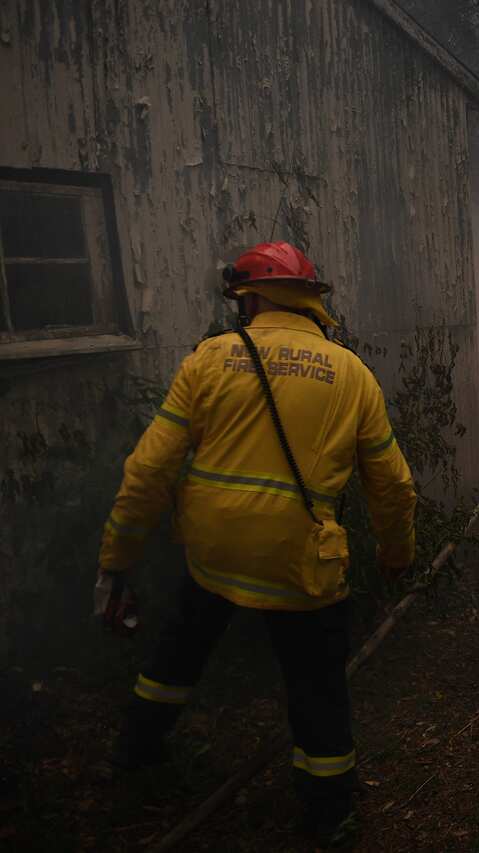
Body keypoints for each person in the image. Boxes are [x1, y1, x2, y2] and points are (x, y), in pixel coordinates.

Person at [95, 241, 416, 845]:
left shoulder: (210, 359)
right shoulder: (351, 373)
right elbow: (393, 487)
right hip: (299, 567)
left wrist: (116, 562)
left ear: (252, 298)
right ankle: (327, 811)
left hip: (212, 556)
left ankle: (134, 754)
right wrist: (396, 557)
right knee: (316, 687)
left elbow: (148, 470)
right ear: (308, 301)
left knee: (176, 655)